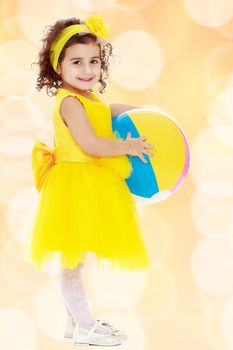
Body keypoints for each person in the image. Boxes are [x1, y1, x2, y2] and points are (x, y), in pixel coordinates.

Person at [24, 13, 155, 346]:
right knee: (72, 262)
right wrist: (129, 146)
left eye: (94, 61)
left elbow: (111, 111)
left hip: (87, 184)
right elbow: (91, 144)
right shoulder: (69, 103)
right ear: (58, 67)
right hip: (75, 185)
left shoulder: (88, 99)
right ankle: (83, 326)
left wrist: (147, 114)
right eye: (77, 62)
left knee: (77, 260)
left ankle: (76, 321)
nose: (87, 70)